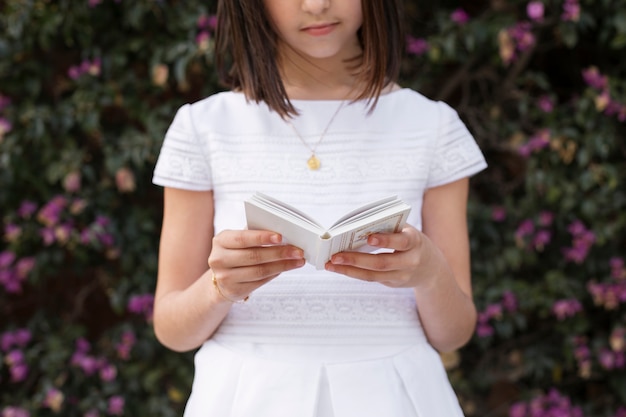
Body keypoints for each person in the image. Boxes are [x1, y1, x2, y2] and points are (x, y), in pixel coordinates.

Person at [151, 0, 487, 416]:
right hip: (247, 397)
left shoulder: (432, 126)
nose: (317, 5)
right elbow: (171, 329)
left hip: (397, 396)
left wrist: (431, 272)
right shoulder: (204, 128)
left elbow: (454, 333)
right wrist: (218, 287)